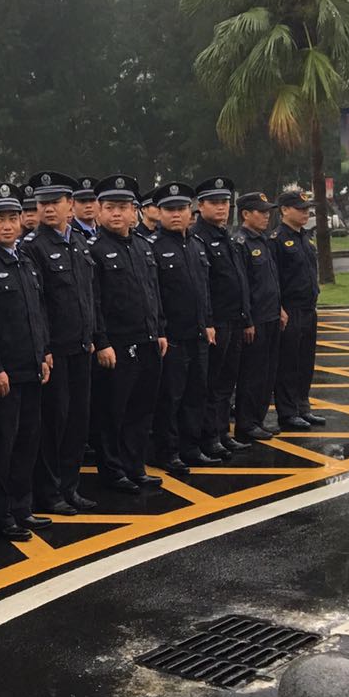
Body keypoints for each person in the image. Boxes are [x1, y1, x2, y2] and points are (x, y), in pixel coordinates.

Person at [0, 182, 53, 539]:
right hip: (5, 372)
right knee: (0, 446)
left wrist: (44, 352)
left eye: (12, 218)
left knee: (27, 441)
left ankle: (22, 507)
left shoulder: (25, 260)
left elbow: (37, 312)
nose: (7, 226)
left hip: (31, 366)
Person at [21, 171, 97, 514]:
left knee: (78, 421)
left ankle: (70, 486)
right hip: (56, 350)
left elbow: (88, 295)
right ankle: (49, 492)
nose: (48, 209)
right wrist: (44, 349)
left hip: (80, 346)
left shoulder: (78, 242)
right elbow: (36, 305)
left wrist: (92, 336)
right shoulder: (33, 247)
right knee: (54, 423)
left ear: (70, 204)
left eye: (55, 202)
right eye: (43, 203)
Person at [89, 175, 165, 494]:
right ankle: (112, 470)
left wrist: (160, 330)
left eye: (123, 207)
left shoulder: (143, 247)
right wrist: (102, 342)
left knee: (141, 408)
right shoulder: (94, 250)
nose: (117, 213)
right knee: (113, 411)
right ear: (99, 211)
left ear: (135, 211)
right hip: (117, 344)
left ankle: (135, 466)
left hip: (147, 339)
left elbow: (153, 292)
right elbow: (94, 302)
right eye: (110, 207)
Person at [147, 182, 215, 476]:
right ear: (159, 213)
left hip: (197, 333)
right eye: (169, 209)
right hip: (172, 336)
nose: (176, 214)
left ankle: (191, 447)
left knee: (195, 394)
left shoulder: (196, 245)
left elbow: (204, 290)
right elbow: (153, 296)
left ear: (191, 211)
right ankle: (168, 451)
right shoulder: (153, 247)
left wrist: (208, 322)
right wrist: (160, 330)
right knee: (170, 398)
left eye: (181, 209)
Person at [192, 177, 252, 458]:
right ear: (200, 205)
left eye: (225, 202)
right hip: (216, 322)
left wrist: (246, 317)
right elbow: (203, 286)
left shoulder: (226, 235)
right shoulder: (198, 237)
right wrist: (208, 322)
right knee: (212, 384)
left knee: (228, 382)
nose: (221, 208)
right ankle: (210, 436)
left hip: (234, 319)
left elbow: (239, 279)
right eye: (214, 202)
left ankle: (222, 432)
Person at [233, 192, 283, 443]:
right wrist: (247, 320)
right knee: (252, 374)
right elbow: (242, 286)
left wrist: (280, 308)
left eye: (267, 212)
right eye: (261, 212)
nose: (266, 216)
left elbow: (271, 280)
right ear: (245, 214)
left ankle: (258, 419)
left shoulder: (262, 240)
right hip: (256, 319)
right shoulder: (240, 243)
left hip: (271, 315)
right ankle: (246, 423)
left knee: (267, 373)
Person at [272, 190, 323, 431]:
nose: (306, 213)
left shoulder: (305, 237)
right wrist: (279, 307)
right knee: (289, 363)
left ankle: (303, 406)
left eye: (307, 209)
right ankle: (288, 412)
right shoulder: (277, 240)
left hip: (308, 308)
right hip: (290, 309)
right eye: (300, 209)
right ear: (284, 210)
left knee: (305, 361)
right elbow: (273, 278)